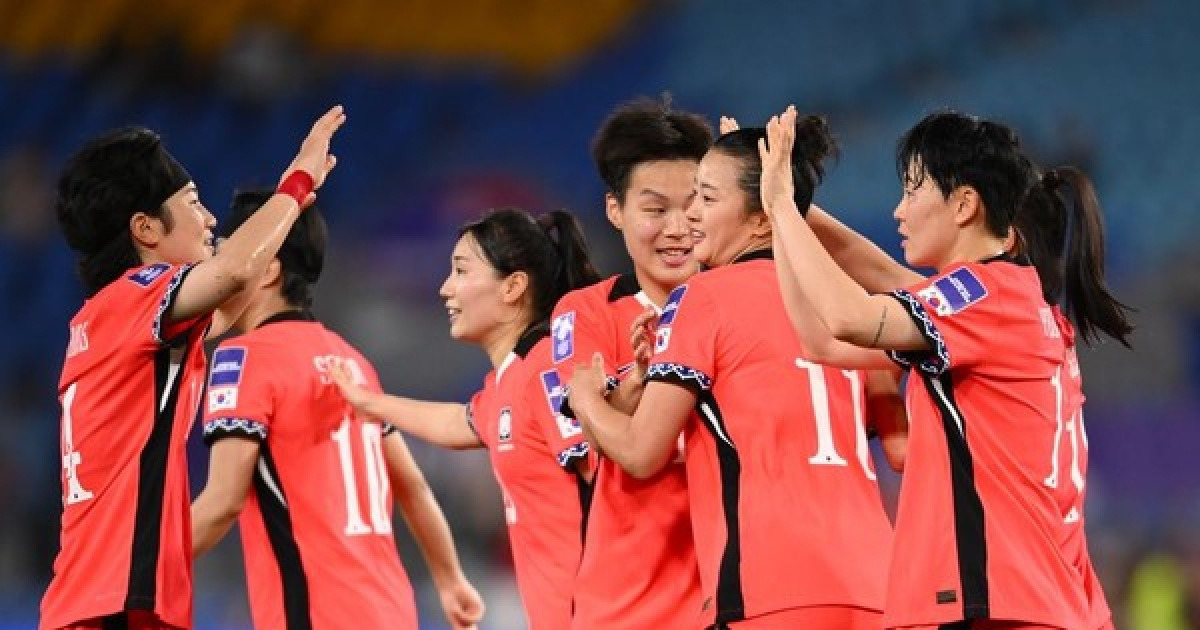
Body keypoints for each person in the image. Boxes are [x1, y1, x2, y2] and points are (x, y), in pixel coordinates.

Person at [761, 106, 1129, 629]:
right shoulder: (1013, 302)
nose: (898, 211)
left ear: (963, 204)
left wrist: (779, 204)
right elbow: (829, 332)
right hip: (1043, 598)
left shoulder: (981, 297)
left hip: (1003, 601)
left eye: (912, 191)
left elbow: (847, 317)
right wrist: (789, 205)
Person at [568, 113, 904, 629]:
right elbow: (899, 447)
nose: (689, 217)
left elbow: (639, 453)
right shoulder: (847, 306)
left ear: (762, 217)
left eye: (705, 198)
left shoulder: (702, 298)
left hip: (768, 592)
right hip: (878, 589)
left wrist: (587, 398)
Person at [41, 106, 345, 630]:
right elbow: (233, 273)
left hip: (105, 597)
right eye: (193, 202)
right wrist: (296, 183)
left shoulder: (112, 321)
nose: (209, 220)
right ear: (145, 228)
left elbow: (231, 297)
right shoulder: (133, 298)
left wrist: (278, 224)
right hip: (112, 600)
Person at [190, 190, 484, 630]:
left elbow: (222, 503)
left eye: (226, 254)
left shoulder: (244, 358)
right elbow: (414, 487)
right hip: (392, 613)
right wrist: (450, 579)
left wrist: (136, 568)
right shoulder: (353, 361)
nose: (215, 271)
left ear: (267, 269)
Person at [329, 208, 602, 630]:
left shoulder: (546, 368)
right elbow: (459, 423)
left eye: (461, 271)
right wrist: (368, 403)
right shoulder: (509, 380)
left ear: (512, 286)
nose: (445, 288)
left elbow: (606, 482)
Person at [548, 96, 710, 629]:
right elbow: (592, 431)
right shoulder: (585, 313)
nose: (679, 228)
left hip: (734, 595)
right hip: (628, 606)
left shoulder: (739, 306)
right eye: (656, 210)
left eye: (695, 206)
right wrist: (633, 383)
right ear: (615, 210)